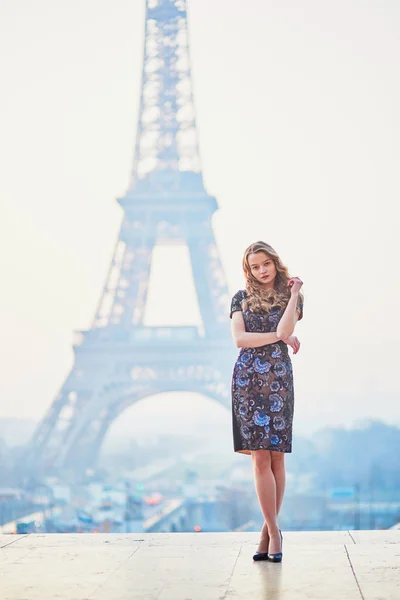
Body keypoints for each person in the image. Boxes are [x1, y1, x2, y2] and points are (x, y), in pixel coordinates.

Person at [229, 240, 304, 562]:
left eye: (266, 264)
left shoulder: (292, 295)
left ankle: (266, 531)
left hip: (278, 379)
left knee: (276, 459)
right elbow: (240, 340)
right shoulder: (240, 298)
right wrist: (280, 337)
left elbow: (287, 326)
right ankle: (274, 532)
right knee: (259, 459)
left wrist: (296, 293)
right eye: (255, 266)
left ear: (275, 263)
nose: (261, 270)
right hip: (248, 380)